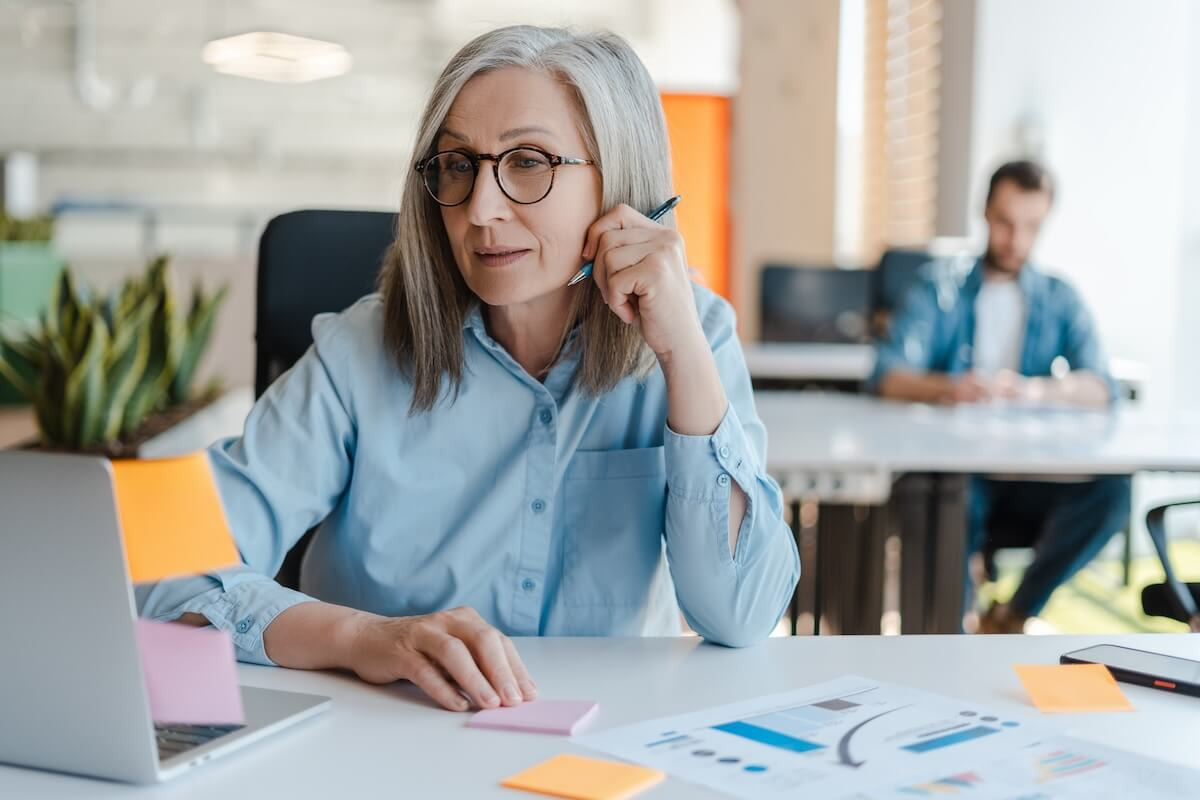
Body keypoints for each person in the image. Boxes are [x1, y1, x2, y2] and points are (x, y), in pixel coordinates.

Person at [138, 25, 800, 711]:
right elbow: (163, 569)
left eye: (528, 162)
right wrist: (364, 639)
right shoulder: (358, 352)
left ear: (618, 182)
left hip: (602, 743)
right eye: (457, 165)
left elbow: (741, 613)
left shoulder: (693, 337)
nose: (481, 211)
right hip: (384, 734)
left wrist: (681, 354)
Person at [870, 159, 1131, 634]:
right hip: (958, 470)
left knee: (1112, 492)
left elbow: (1101, 388)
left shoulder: (1058, 297)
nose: (1017, 240)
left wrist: (1035, 389)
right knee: (948, 496)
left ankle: (1013, 614)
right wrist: (950, 388)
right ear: (985, 214)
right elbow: (888, 374)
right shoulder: (939, 287)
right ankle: (953, 631)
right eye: (1006, 223)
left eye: (1032, 226)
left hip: (1031, 473)